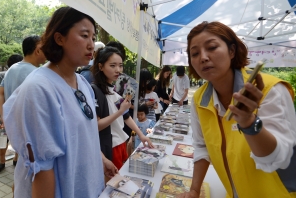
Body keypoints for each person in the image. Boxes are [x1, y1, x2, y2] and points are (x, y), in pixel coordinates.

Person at [3, 7, 118, 198]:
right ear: (59, 39)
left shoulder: (82, 83)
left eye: (93, 37)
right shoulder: (39, 88)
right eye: (84, 35)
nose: (92, 45)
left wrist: (101, 159)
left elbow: (84, 134)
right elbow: (42, 169)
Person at [179, 21, 296, 198]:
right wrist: (194, 190)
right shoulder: (199, 99)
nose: (203, 57)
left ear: (232, 51)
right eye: (194, 53)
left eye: (211, 47)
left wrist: (249, 123)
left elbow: (279, 159)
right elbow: (202, 147)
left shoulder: (270, 89)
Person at [91, 46, 154, 170]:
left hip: (121, 144)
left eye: (120, 65)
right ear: (100, 66)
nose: (118, 70)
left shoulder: (116, 91)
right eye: (113, 65)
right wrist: (120, 111)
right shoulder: (94, 91)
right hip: (109, 147)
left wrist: (141, 135)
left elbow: (126, 116)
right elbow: (96, 125)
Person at [0, 36, 46, 174]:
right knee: (27, 173)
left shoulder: (12, 69)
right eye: (44, 48)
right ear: (37, 50)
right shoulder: (36, 73)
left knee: (22, 170)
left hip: (13, 124)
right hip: (29, 130)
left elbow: (0, 93)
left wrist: (3, 115)